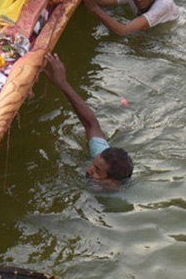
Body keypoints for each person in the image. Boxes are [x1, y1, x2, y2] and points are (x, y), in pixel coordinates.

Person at [42, 52, 133, 183]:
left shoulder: (115, 201)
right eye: (93, 165)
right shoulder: (102, 157)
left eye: (97, 171)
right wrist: (62, 84)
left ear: (113, 182)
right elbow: (91, 124)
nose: (88, 170)